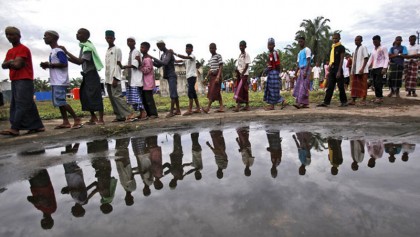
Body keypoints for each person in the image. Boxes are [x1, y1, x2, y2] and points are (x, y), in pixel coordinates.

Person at [1, 26, 44, 136]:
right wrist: (11, 62)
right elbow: (3, 65)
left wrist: (10, 62)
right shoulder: (10, 51)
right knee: (28, 103)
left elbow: (17, 65)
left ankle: (15, 128)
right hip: (15, 79)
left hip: (24, 79)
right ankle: (37, 126)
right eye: (7, 35)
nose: (9, 37)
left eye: (12, 34)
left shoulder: (23, 49)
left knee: (20, 104)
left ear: (19, 36)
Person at [60, 28, 105, 125]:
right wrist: (66, 57)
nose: (77, 35)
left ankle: (101, 119)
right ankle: (93, 117)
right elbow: (78, 62)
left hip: (92, 74)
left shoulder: (87, 48)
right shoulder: (83, 46)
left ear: (85, 36)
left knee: (95, 96)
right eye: (77, 33)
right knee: (85, 96)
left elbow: (80, 61)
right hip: (87, 75)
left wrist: (67, 52)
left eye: (79, 33)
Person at [39, 30, 82, 130]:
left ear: (54, 38)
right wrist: (47, 65)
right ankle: (66, 121)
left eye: (46, 36)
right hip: (55, 80)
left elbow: (64, 63)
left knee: (61, 101)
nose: (44, 38)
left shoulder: (59, 51)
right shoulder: (53, 51)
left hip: (60, 80)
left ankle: (76, 118)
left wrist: (49, 65)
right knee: (59, 103)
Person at [104, 31, 135, 123]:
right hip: (107, 78)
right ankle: (119, 116)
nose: (109, 39)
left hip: (114, 78)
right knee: (112, 98)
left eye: (111, 38)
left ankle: (129, 114)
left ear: (114, 39)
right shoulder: (107, 50)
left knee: (117, 96)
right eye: (107, 37)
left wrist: (116, 78)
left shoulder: (117, 49)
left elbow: (118, 65)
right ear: (105, 38)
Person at [317, 33, 348, 107]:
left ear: (339, 38)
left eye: (336, 38)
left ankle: (344, 101)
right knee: (330, 86)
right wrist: (330, 68)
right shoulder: (333, 48)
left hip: (338, 68)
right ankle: (326, 102)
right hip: (332, 69)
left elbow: (341, 60)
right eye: (333, 38)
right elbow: (331, 60)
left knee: (340, 86)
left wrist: (339, 71)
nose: (334, 40)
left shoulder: (341, 47)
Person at [152, 40, 180, 118]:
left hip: (172, 75)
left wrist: (153, 58)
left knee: (173, 93)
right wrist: (151, 61)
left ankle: (171, 111)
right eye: (158, 47)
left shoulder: (169, 53)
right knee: (174, 92)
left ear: (164, 45)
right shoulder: (163, 55)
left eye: (160, 46)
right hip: (168, 75)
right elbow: (158, 65)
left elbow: (165, 63)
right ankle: (178, 110)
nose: (159, 48)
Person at [123, 36, 147, 120]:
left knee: (137, 98)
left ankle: (143, 112)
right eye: (128, 41)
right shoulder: (131, 52)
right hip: (131, 79)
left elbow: (135, 65)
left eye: (131, 41)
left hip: (136, 79)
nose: (129, 43)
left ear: (134, 43)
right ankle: (141, 113)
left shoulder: (136, 52)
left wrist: (123, 66)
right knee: (133, 98)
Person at [174, 44, 201, 115]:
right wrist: (172, 57)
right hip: (188, 77)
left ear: (192, 49)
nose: (187, 50)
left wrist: (175, 53)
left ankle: (190, 110)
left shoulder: (192, 56)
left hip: (192, 76)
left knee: (190, 92)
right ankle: (198, 108)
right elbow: (178, 61)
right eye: (186, 48)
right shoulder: (186, 59)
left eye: (189, 48)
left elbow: (184, 57)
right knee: (193, 93)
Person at [263, 38, 286, 110]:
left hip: (274, 73)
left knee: (273, 89)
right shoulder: (270, 54)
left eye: (271, 45)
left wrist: (278, 74)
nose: (269, 46)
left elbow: (277, 64)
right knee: (270, 89)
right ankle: (272, 105)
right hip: (270, 73)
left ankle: (281, 100)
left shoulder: (274, 53)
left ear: (274, 45)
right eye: (268, 45)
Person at [366, 35, 389, 104]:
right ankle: (377, 97)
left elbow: (387, 58)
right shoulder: (373, 50)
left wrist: (385, 68)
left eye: (376, 42)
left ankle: (380, 97)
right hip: (374, 68)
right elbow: (370, 59)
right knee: (375, 83)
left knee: (379, 83)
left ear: (379, 41)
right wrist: (366, 67)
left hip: (381, 67)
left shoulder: (383, 48)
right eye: (373, 42)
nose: (374, 43)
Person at [202, 43, 224, 113]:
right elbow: (210, 69)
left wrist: (218, 76)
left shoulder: (218, 56)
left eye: (212, 48)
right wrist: (206, 77)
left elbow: (221, 66)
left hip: (217, 75)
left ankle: (208, 108)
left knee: (212, 92)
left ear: (215, 48)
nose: (211, 50)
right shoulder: (211, 58)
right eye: (210, 48)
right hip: (212, 76)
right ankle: (221, 107)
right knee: (216, 92)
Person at [140, 42, 158, 119]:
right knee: (145, 99)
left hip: (148, 82)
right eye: (141, 47)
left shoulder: (147, 59)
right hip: (144, 83)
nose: (141, 49)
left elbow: (147, 70)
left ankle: (154, 114)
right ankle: (149, 113)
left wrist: (140, 67)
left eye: (143, 47)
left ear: (147, 49)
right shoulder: (143, 58)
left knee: (149, 99)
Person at [349, 35, 369, 105]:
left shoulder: (363, 47)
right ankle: (353, 100)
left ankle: (363, 99)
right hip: (355, 70)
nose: (356, 41)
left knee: (363, 85)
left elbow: (366, 58)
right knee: (355, 86)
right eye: (355, 40)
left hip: (362, 70)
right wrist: (352, 71)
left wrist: (362, 69)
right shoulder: (355, 49)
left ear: (361, 41)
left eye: (357, 40)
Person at [293, 36, 311, 109]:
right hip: (301, 70)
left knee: (303, 87)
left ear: (304, 42)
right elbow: (298, 64)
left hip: (306, 69)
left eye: (301, 41)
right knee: (300, 86)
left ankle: (299, 103)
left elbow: (308, 61)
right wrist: (295, 73)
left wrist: (305, 72)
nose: (300, 43)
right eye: (299, 42)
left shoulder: (307, 50)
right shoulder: (299, 52)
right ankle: (305, 103)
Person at [233, 41, 251, 112]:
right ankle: (247, 106)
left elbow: (247, 65)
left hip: (244, 74)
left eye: (242, 46)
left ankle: (238, 106)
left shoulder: (246, 55)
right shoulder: (240, 55)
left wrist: (242, 73)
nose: (241, 47)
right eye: (240, 46)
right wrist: (237, 72)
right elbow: (239, 65)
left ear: (245, 46)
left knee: (239, 89)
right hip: (239, 74)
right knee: (244, 90)